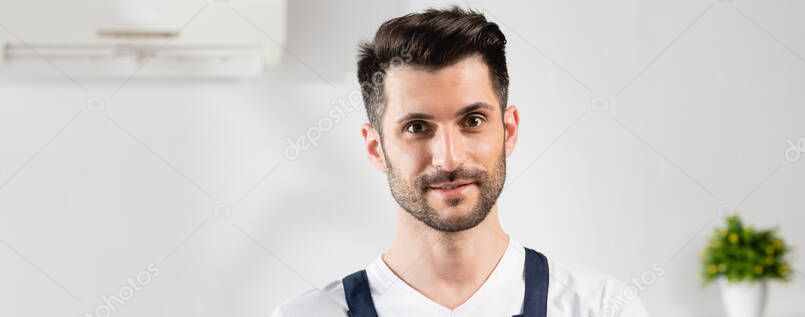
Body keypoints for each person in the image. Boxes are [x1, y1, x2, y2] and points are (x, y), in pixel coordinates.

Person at [271, 6, 649, 317]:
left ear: (509, 130)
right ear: (376, 149)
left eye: (472, 121)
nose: (449, 157)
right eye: (417, 127)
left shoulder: (600, 307)